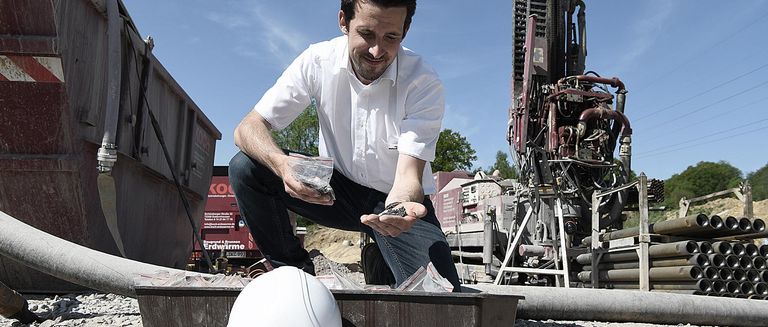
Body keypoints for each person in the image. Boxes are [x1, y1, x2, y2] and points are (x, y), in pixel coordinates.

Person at [229, 0, 460, 291]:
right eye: (366, 34)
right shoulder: (317, 61)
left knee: (440, 295)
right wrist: (282, 165)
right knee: (246, 167)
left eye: (391, 37)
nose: (377, 51)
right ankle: (293, 275)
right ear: (343, 22)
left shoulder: (423, 81)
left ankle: (380, 258)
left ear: (406, 29)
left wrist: (399, 208)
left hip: (393, 200)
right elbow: (247, 128)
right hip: (335, 191)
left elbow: (408, 177)